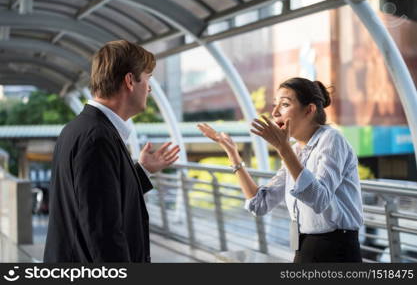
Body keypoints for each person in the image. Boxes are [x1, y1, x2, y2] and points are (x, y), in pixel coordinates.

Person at [197, 77, 363, 263]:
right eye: (275, 105)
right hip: (302, 245)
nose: (274, 112)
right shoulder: (295, 150)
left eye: (284, 104)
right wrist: (233, 154)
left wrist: (284, 150)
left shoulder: (331, 139)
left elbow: (320, 199)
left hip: (336, 249)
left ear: (309, 110)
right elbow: (260, 204)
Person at [44, 40, 180, 263]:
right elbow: (103, 232)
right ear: (129, 81)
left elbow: (98, 199)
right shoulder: (97, 138)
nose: (149, 88)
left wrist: (143, 170)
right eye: (147, 79)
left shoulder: (81, 128)